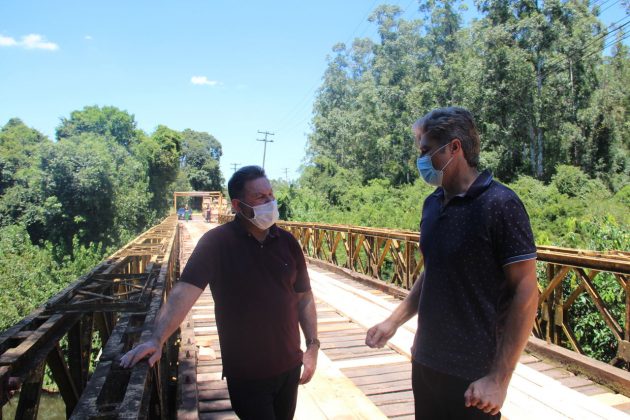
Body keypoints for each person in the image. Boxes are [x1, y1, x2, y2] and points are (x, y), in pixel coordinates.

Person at [366, 107, 538, 419]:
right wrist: (393, 322)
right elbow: (435, 270)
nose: (421, 160)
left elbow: (526, 291)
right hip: (425, 362)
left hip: (474, 378)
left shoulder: (500, 203)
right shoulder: (432, 205)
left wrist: (499, 379)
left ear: (454, 148)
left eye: (426, 151)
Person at [120, 165, 319, 420]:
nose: (270, 202)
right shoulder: (217, 243)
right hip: (248, 375)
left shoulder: (287, 242)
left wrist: (312, 346)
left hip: (289, 367)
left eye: (270, 194)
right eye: (260, 197)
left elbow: (304, 297)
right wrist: (156, 339)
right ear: (237, 205)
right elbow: (184, 292)